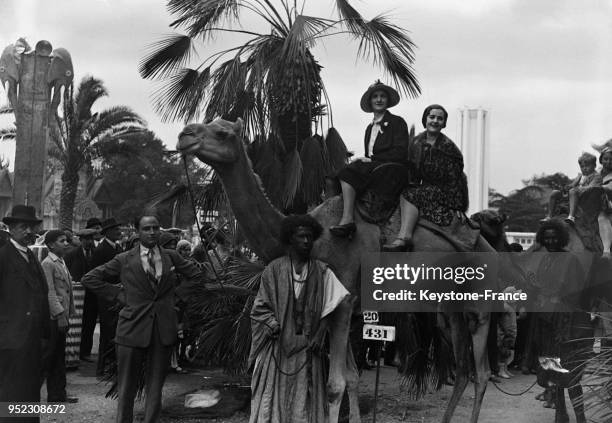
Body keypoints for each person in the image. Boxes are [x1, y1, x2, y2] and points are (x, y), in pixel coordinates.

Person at [82, 213, 203, 423]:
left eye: (155, 228)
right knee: (127, 386)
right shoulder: (124, 259)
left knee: (155, 387)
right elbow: (89, 278)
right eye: (146, 228)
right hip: (132, 328)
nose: (152, 232)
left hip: (163, 329)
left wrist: (176, 296)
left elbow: (198, 275)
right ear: (137, 232)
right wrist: (119, 295)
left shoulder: (171, 256)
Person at [250, 215, 350, 422]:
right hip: (278, 348)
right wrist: (271, 324)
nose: (307, 241)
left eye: (310, 237)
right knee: (272, 398)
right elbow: (260, 307)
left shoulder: (323, 272)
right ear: (290, 239)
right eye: (301, 236)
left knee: (306, 400)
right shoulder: (273, 270)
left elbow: (332, 305)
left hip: (308, 348)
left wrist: (321, 332)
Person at [330, 80, 410, 239]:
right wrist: (366, 160)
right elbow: (369, 156)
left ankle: (347, 219)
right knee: (334, 176)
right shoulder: (369, 128)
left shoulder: (397, 122)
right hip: (375, 168)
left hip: (392, 169)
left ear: (387, 101)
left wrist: (370, 159)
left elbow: (400, 152)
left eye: (382, 96)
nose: (379, 100)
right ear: (370, 101)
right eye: (375, 96)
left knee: (348, 172)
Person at [383, 104, 468, 251]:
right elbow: (410, 168)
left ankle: (405, 236)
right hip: (424, 186)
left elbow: (456, 179)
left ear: (444, 123)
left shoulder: (450, 149)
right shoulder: (416, 142)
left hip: (444, 191)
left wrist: (458, 205)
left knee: (409, 194)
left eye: (439, 119)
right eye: (432, 117)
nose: (435, 121)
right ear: (425, 119)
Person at [0, 205, 50, 422]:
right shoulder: (3, 257)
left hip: (32, 339)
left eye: (31, 227)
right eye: (23, 227)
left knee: (30, 392)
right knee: (11, 393)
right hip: (11, 340)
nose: (29, 231)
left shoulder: (31, 255)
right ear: (10, 229)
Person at [40, 230, 78, 403]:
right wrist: (60, 315)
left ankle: (58, 394)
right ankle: (29, 393)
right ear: (51, 245)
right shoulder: (48, 263)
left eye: (66, 240)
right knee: (49, 357)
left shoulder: (61, 261)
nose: (66, 243)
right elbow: (50, 292)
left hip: (62, 316)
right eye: (61, 241)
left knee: (58, 358)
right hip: (54, 318)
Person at [91, 217, 123, 377]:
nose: (119, 232)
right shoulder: (101, 250)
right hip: (106, 298)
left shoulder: (118, 248)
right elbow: (94, 276)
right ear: (108, 232)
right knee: (107, 332)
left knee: (116, 331)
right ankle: (102, 367)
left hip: (119, 297)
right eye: (116, 229)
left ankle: (112, 365)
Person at [65, 228, 98, 362]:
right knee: (76, 324)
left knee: (89, 324)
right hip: (77, 296)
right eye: (86, 239)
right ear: (81, 240)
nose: (89, 242)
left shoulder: (97, 254)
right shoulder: (71, 254)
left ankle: (85, 352)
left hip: (92, 296)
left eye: (91, 239)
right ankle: (74, 352)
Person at [540, 152, 601, 224]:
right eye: (582, 167)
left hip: (585, 198)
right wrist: (565, 188)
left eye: (587, 166)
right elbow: (572, 185)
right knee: (555, 193)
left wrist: (576, 189)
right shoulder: (580, 176)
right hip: (573, 195)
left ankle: (571, 216)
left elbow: (591, 188)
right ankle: (549, 216)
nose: (584, 168)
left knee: (573, 191)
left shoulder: (596, 176)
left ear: (594, 165)